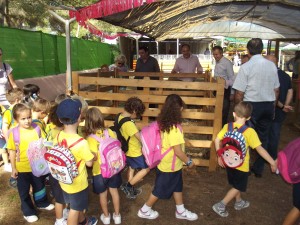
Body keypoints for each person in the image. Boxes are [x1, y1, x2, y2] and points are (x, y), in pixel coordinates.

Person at [137, 94, 198, 221]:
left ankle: (180, 210)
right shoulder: (174, 129)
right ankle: (144, 210)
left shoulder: (164, 123)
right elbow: (178, 152)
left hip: (168, 164)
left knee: (177, 186)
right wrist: (189, 161)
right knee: (159, 190)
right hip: (169, 166)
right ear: (180, 109)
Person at [212, 101, 277, 217]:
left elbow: (217, 140)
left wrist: (219, 155)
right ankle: (221, 205)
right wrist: (272, 162)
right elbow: (260, 149)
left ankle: (239, 202)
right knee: (238, 186)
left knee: (236, 184)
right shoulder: (250, 132)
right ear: (249, 117)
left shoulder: (227, 126)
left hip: (228, 162)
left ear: (234, 114)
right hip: (242, 166)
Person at [232, 38, 280, 178]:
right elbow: (276, 89)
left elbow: (239, 93)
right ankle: (258, 169)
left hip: (252, 106)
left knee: (245, 136)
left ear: (248, 50)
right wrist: (274, 106)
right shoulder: (271, 65)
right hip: (268, 105)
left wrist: (238, 110)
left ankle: (244, 167)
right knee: (262, 138)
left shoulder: (246, 67)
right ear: (262, 50)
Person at [8, 103, 54, 223]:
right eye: (23, 119)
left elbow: (44, 143)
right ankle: (28, 212)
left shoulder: (37, 128)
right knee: (24, 191)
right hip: (22, 168)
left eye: (28, 117)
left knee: (39, 186)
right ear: (16, 119)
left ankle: (41, 203)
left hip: (38, 166)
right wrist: (13, 168)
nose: (27, 121)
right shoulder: (14, 133)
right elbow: (12, 151)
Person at [55, 99, 98, 225]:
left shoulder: (58, 136)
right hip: (78, 183)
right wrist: (93, 156)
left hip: (63, 180)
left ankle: (83, 221)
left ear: (60, 119)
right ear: (80, 117)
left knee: (75, 205)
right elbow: (89, 163)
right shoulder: (81, 143)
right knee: (75, 209)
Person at [85, 107, 122, 225]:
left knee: (103, 195)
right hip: (114, 169)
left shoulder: (90, 139)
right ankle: (117, 216)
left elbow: (92, 160)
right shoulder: (110, 132)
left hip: (99, 172)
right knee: (114, 192)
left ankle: (106, 217)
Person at [118, 97, 148, 199]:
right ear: (134, 110)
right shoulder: (129, 124)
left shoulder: (120, 117)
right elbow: (140, 139)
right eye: (138, 114)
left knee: (132, 168)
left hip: (127, 150)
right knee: (146, 169)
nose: (137, 116)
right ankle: (128, 186)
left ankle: (130, 190)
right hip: (134, 151)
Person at [265, 55, 293, 160]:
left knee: (266, 134)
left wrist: (282, 106)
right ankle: (273, 156)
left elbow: (273, 95)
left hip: (271, 108)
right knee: (275, 133)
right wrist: (286, 104)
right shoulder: (285, 75)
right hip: (280, 111)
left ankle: (266, 156)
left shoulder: (269, 75)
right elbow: (290, 90)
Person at [1, 88, 23, 174]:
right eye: (22, 99)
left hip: (21, 137)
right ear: (17, 100)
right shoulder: (9, 112)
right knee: (14, 154)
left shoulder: (20, 109)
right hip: (13, 138)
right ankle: (15, 171)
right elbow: (4, 126)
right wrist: (7, 139)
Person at [212, 46, 235, 126]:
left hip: (225, 89)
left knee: (224, 110)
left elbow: (232, 78)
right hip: (217, 88)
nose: (215, 56)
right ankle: (217, 126)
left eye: (217, 54)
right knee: (217, 108)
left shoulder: (227, 63)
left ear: (221, 53)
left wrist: (232, 92)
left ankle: (222, 127)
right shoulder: (217, 62)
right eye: (214, 54)